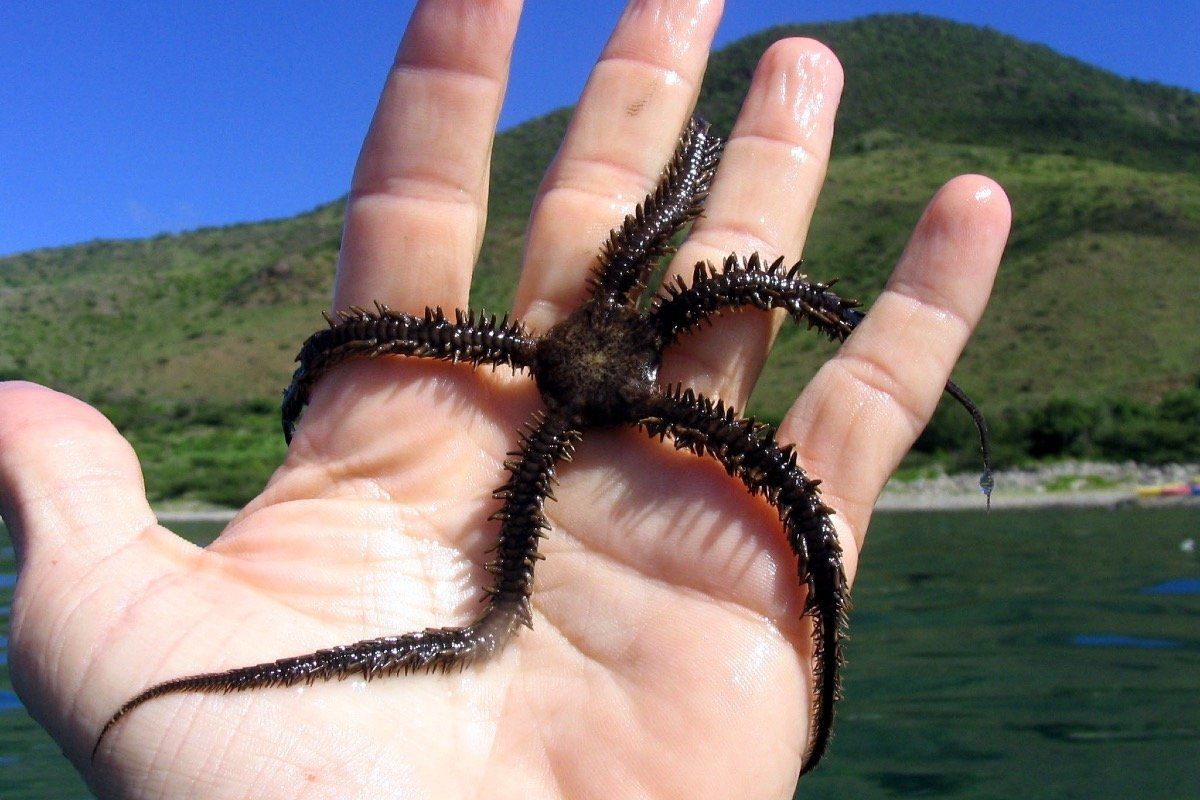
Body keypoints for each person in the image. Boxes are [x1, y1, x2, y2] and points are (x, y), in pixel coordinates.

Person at [0, 1, 1009, 797]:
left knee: (782, 479)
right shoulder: (571, 376)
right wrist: (326, 364)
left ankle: (815, 667)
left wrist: (697, 169)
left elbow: (676, 226)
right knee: (542, 579)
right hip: (572, 381)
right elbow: (376, 331)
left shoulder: (614, 344)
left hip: (590, 373)